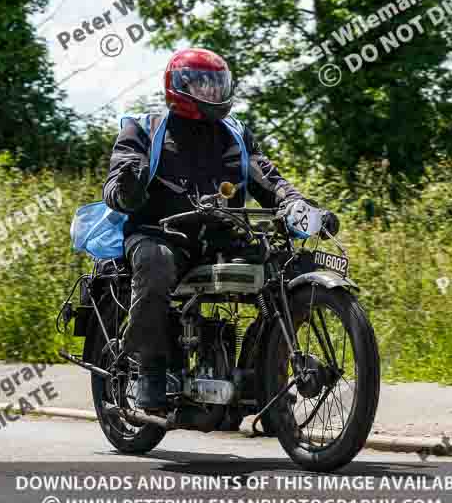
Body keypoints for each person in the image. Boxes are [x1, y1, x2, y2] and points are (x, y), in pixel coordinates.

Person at [103, 48, 339, 410]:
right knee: (155, 265)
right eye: (203, 85)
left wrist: (302, 207)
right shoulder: (144, 128)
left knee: (291, 268)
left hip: (222, 238)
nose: (213, 93)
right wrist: (129, 186)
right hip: (160, 234)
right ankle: (149, 368)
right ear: (178, 87)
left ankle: (263, 376)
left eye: (218, 84)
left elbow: (270, 181)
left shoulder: (235, 134)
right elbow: (116, 186)